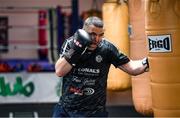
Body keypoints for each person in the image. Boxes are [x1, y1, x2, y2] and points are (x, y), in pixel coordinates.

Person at [53, 16, 149, 117]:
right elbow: (59, 71)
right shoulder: (71, 43)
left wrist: (151, 60)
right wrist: (77, 49)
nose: (97, 39)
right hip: (66, 109)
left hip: (94, 112)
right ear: (83, 32)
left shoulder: (107, 49)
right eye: (92, 34)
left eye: (101, 35)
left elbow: (132, 68)